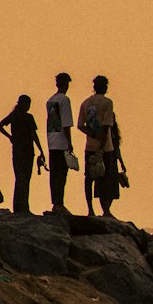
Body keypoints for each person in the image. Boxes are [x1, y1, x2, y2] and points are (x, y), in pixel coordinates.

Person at [0, 94, 46, 214]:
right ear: (25, 104)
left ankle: (17, 207)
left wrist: (10, 137)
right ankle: (24, 208)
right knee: (25, 179)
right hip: (27, 151)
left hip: (17, 151)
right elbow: (34, 135)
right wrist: (41, 150)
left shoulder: (14, 115)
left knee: (19, 178)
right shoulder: (28, 117)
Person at [77, 74, 117, 218]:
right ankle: (105, 210)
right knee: (105, 178)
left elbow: (80, 125)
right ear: (104, 87)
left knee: (89, 178)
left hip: (90, 146)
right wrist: (101, 143)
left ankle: (90, 209)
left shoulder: (86, 103)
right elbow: (106, 126)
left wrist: (92, 134)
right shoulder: (107, 102)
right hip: (105, 147)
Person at [45, 72, 75, 214]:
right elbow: (66, 123)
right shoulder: (64, 100)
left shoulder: (50, 100)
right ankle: (59, 203)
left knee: (54, 174)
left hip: (52, 141)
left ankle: (55, 202)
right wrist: (70, 142)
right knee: (62, 174)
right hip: (61, 142)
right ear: (65, 84)